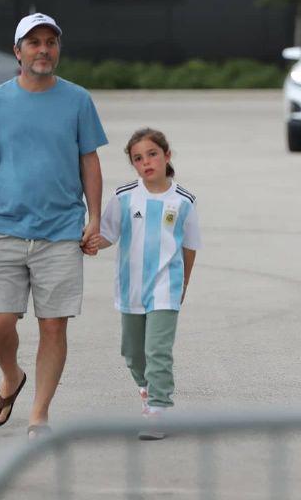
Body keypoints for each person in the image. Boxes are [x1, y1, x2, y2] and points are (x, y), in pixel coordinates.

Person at [0, 13, 107, 438]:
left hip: (60, 232)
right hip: (3, 228)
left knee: (53, 326)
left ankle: (39, 415)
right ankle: (11, 376)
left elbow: (89, 162)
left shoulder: (77, 100)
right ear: (18, 51)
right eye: (34, 42)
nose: (44, 49)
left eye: (50, 42)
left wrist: (94, 218)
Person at [89, 128, 201, 441]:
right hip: (131, 288)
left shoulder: (184, 201)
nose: (146, 162)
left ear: (167, 156)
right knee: (132, 351)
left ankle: (158, 410)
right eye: (138, 158)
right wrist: (93, 242)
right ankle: (146, 389)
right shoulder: (124, 197)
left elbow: (189, 247)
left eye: (152, 154)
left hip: (166, 288)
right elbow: (108, 235)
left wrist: (183, 285)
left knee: (157, 351)